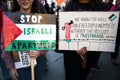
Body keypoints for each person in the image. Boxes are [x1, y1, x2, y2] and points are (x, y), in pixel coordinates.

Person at [56, 0, 108, 80]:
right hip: (71, 54)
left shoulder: (102, 7)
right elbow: (64, 31)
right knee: (71, 76)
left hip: (91, 53)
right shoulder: (70, 5)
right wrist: (74, 47)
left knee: (83, 75)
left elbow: (107, 26)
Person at [1, 0, 48, 80]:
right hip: (20, 65)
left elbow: (47, 43)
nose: (25, 0)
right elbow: (5, 46)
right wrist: (11, 68)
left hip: (39, 63)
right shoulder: (11, 18)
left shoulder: (41, 18)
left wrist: (40, 52)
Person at [110, 0, 120, 65]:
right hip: (116, 29)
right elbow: (111, 19)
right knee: (116, 44)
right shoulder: (114, 8)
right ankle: (113, 58)